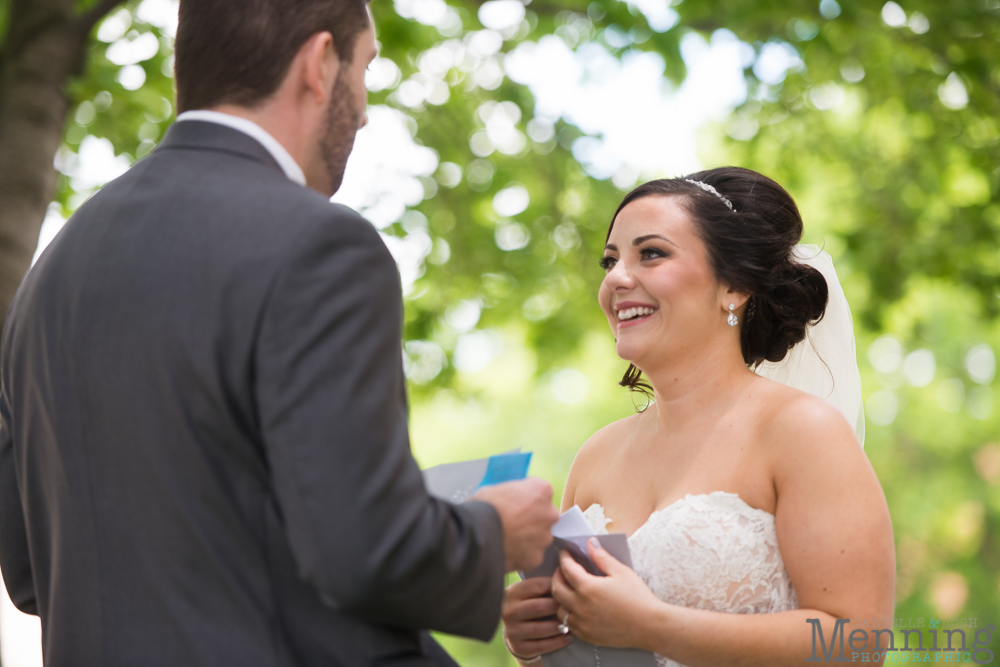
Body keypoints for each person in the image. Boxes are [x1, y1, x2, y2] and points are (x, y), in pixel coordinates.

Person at [0, 1, 558, 665]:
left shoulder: (52, 272)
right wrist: (495, 530)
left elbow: (30, 567)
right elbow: (366, 550)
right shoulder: (323, 244)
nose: (368, 108)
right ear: (320, 63)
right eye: (365, 67)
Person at [501, 168, 896, 666]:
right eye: (610, 260)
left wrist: (652, 626)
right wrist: (536, 644)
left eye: (651, 253)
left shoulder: (801, 431)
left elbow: (858, 643)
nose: (617, 278)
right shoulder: (595, 456)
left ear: (733, 286)